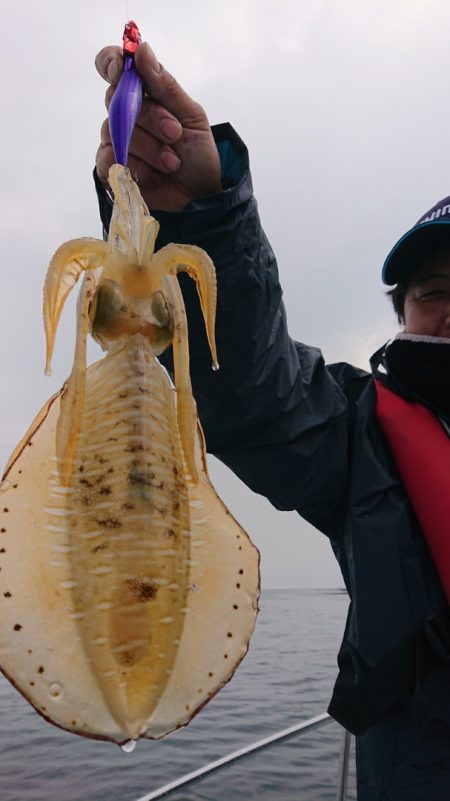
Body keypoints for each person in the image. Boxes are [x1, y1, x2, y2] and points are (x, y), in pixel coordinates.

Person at [94, 42, 450, 801]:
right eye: (434, 291)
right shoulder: (364, 436)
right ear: (405, 315)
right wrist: (195, 218)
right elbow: (255, 392)